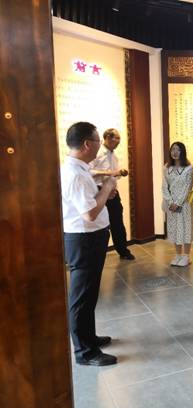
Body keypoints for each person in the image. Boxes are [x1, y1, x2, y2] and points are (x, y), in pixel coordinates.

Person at [61, 122, 118, 366]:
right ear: (87, 144)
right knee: (81, 297)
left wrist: (101, 191)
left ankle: (89, 337)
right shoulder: (74, 173)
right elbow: (89, 214)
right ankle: (85, 352)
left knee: (89, 292)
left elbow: (88, 201)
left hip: (90, 238)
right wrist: (107, 188)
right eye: (97, 140)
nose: (100, 145)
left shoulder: (80, 169)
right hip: (84, 239)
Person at [89, 128, 134, 260]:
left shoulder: (114, 156)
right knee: (99, 224)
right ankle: (97, 254)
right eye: (116, 138)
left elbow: (115, 175)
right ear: (108, 137)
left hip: (113, 192)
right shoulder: (97, 153)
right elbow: (89, 172)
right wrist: (110, 173)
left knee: (117, 222)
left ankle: (123, 251)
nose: (119, 141)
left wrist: (120, 173)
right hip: (99, 192)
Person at [162, 142, 193, 267]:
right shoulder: (166, 167)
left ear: (183, 152)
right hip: (171, 205)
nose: (175, 152)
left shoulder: (189, 169)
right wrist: (170, 201)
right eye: (173, 149)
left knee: (185, 229)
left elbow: (188, 187)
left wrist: (178, 203)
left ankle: (186, 256)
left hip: (184, 204)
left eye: (178, 150)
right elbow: (164, 186)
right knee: (174, 229)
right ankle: (178, 255)